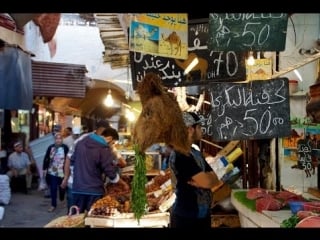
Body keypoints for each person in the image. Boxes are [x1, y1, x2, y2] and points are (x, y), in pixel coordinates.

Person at [169, 111, 221, 228]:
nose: (201, 130)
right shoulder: (180, 155)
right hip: (186, 218)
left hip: (202, 216)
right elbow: (207, 181)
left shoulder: (195, 153)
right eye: (199, 127)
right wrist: (206, 180)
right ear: (190, 130)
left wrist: (206, 181)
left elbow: (215, 180)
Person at [71, 123, 130, 213]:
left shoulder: (81, 142)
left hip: (77, 188)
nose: (112, 145)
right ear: (109, 138)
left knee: (76, 218)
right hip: (93, 190)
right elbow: (110, 172)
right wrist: (123, 184)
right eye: (113, 143)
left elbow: (72, 161)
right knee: (93, 217)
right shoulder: (103, 148)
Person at [61, 120, 109, 214]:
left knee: (81, 216)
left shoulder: (96, 141)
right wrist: (66, 178)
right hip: (77, 184)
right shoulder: (83, 140)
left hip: (83, 185)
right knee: (75, 217)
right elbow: (69, 158)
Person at [42, 132, 69, 212]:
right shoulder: (50, 147)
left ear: (62, 139)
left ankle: (62, 198)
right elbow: (46, 158)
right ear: (54, 140)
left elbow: (68, 159)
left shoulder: (65, 148)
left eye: (60, 138)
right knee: (53, 188)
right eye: (57, 138)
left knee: (62, 188)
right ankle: (53, 205)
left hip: (62, 172)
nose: (58, 140)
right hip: (52, 171)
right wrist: (44, 169)